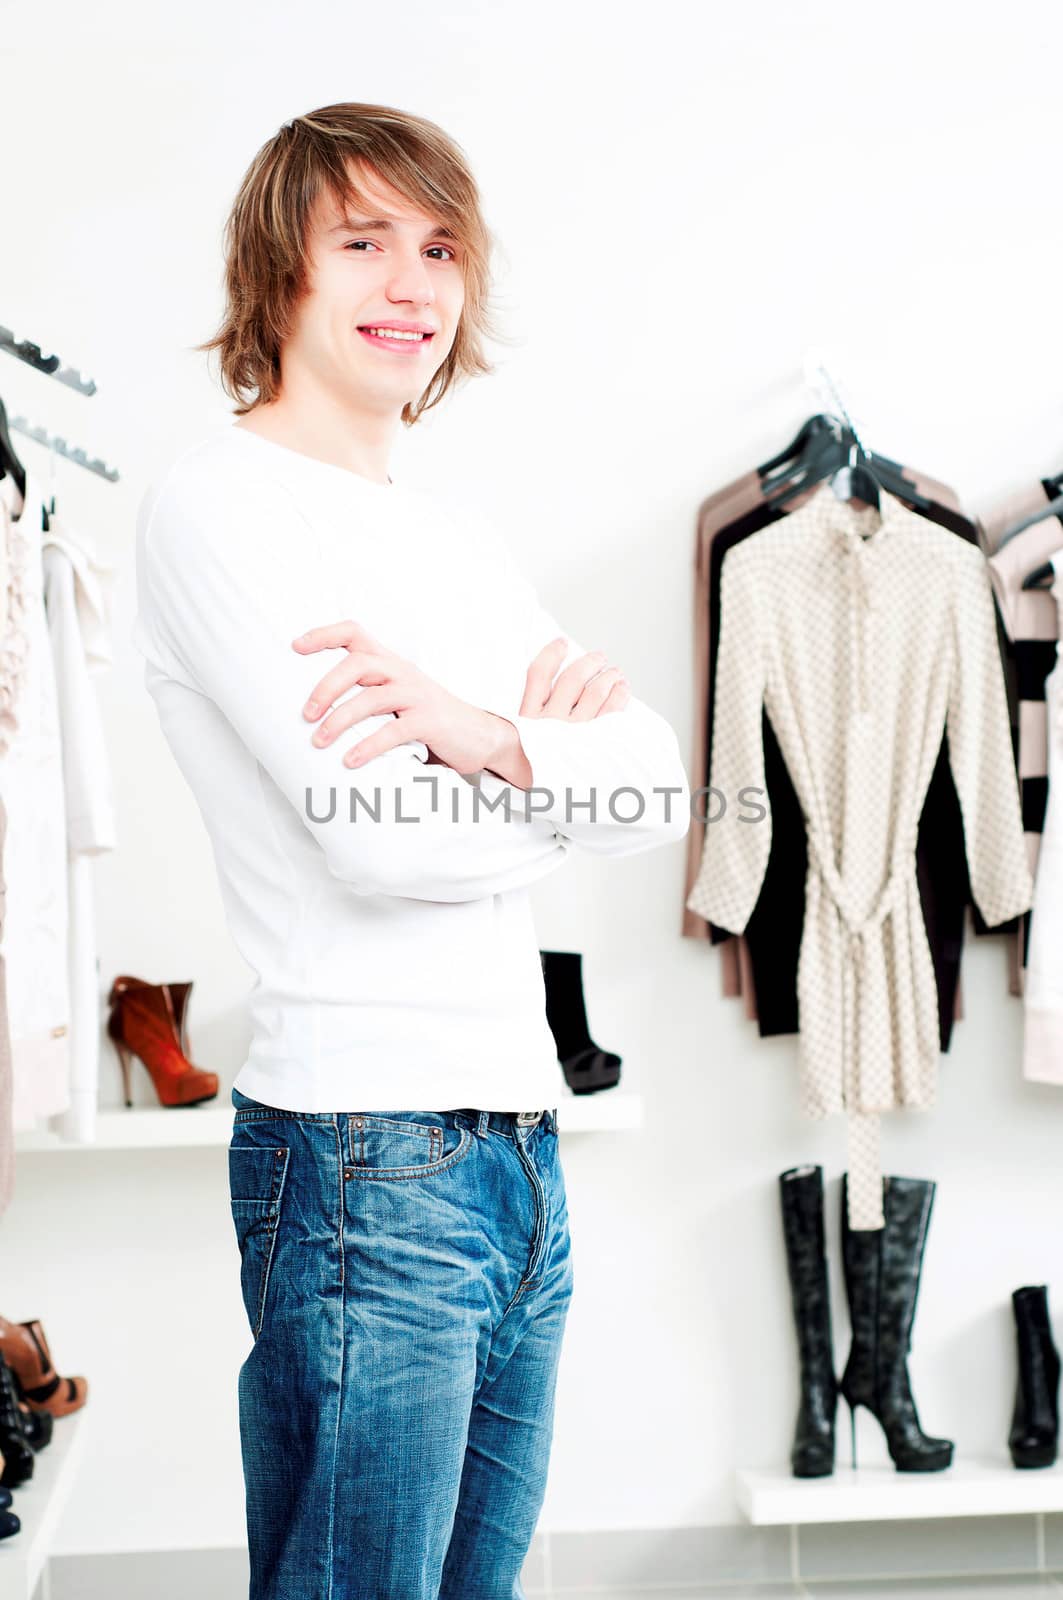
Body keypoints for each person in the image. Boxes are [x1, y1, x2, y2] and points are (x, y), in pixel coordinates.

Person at [133, 100, 690, 1600]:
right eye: (363, 241)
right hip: (367, 1159)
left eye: (441, 248)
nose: (413, 286)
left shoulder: (452, 542)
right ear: (280, 274)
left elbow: (658, 787)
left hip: (517, 1155)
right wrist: (546, 782)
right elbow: (382, 845)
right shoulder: (221, 510)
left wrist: (482, 734)